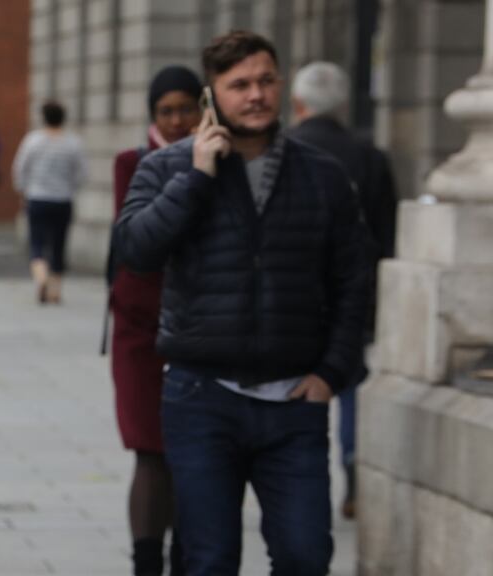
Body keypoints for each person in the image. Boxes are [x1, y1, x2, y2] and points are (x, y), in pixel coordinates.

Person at [113, 31, 372, 575]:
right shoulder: (168, 168)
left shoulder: (322, 175)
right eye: (239, 85)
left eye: (265, 81)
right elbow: (135, 250)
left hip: (294, 403)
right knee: (207, 560)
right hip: (201, 397)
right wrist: (198, 176)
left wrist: (332, 373)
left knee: (306, 555)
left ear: (280, 84)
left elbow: (355, 281)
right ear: (213, 96)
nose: (255, 95)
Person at [288, 61, 397, 520]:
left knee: (293, 390)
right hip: (354, 297)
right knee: (349, 382)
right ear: (345, 105)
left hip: (293, 302)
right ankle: (352, 471)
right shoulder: (369, 156)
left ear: (297, 104)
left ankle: (290, 478)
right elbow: (387, 235)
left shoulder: (286, 152)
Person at [110, 65, 202, 576]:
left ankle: (186, 558)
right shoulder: (133, 163)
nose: (176, 120)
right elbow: (138, 245)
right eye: (165, 111)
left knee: (192, 455)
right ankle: (147, 564)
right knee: (149, 449)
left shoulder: (220, 162)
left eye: (186, 108)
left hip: (199, 327)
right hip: (139, 328)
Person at [11, 101, 86, 304]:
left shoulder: (33, 141)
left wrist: (22, 189)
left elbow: (20, 167)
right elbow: (81, 174)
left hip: (37, 198)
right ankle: (55, 290)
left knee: (37, 243)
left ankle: (41, 278)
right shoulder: (73, 143)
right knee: (59, 246)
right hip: (62, 200)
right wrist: (70, 188)